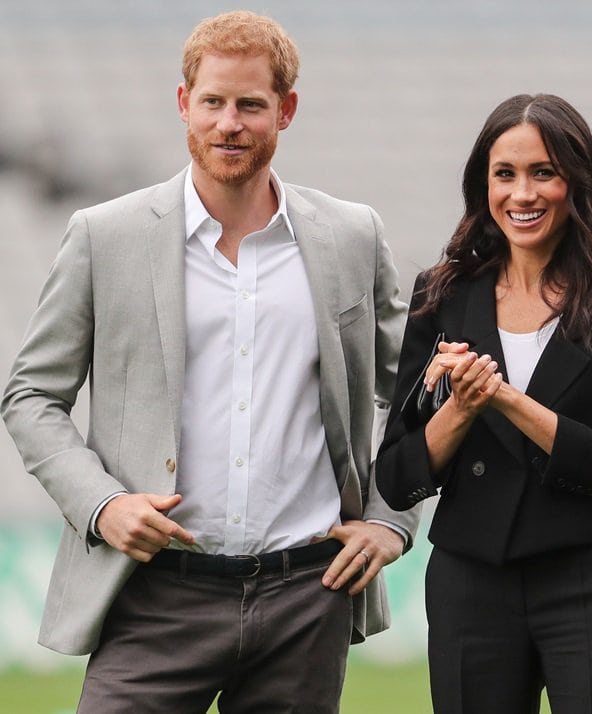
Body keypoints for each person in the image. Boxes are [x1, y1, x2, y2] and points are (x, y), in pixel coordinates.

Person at [2, 10, 419, 713]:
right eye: (214, 102)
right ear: (183, 104)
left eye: (251, 105)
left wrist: (392, 519)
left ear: (285, 110)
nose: (230, 122)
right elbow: (31, 395)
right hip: (155, 592)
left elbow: (409, 394)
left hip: (306, 595)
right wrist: (102, 505)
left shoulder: (351, 236)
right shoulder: (106, 236)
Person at [376, 93, 592, 714]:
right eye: (505, 174)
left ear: (577, 181)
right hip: (470, 581)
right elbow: (399, 476)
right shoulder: (441, 296)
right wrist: (459, 409)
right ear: (482, 185)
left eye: (544, 172)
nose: (523, 194)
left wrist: (505, 399)